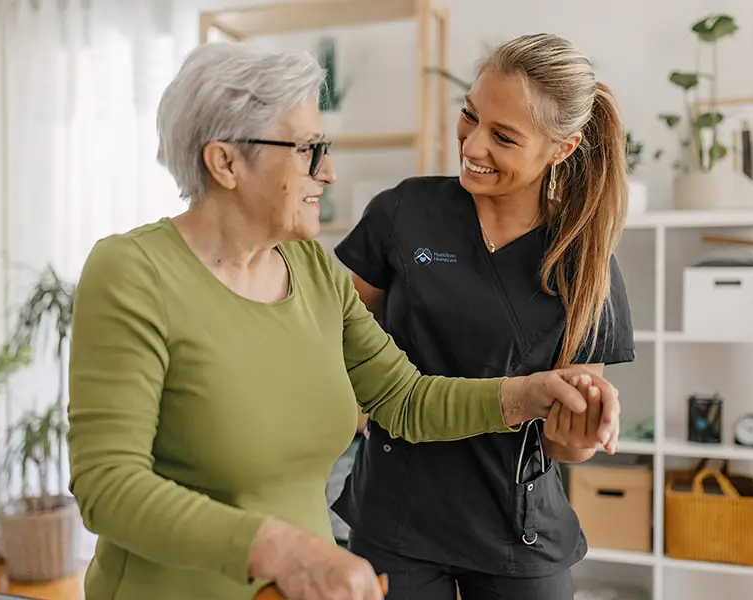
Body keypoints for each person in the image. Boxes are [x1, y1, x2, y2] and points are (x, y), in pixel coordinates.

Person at [65, 41, 621, 600]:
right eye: (308, 149)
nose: (327, 172)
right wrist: (281, 550)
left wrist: (531, 396)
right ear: (226, 161)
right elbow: (107, 486)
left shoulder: (310, 270)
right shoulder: (132, 272)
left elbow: (405, 399)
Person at [331, 33, 636, 600]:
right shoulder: (403, 213)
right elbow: (338, 343)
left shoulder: (585, 261)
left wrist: (584, 429)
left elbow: (570, 447)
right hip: (396, 516)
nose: (472, 144)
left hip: (515, 533)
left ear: (562, 149)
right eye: (470, 116)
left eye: (503, 136)